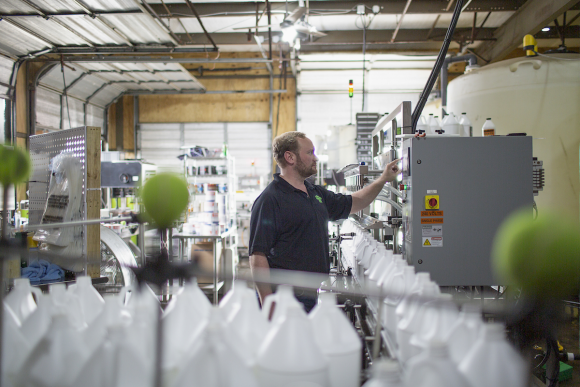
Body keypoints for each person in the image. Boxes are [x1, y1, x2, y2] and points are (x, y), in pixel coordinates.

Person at [249, 131, 400, 312]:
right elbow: (257, 257)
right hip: (284, 297)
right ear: (290, 157)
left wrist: (383, 179)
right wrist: (268, 304)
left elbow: (354, 202)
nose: (316, 158)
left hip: (310, 293)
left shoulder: (314, 193)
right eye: (310, 152)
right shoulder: (270, 200)